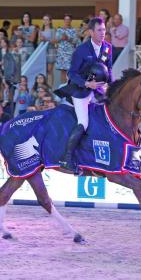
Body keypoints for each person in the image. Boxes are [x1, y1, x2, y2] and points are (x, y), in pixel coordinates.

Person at [57, 16, 112, 171]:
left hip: (99, 90)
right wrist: (87, 83)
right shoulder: (81, 50)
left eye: (104, 30)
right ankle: (66, 158)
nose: (103, 33)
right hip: (81, 91)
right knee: (84, 122)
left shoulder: (107, 48)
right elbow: (71, 74)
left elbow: (110, 69)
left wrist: (111, 87)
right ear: (91, 32)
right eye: (99, 30)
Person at [56, 14, 79, 84]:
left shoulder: (74, 30)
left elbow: (75, 42)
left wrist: (68, 38)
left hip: (70, 53)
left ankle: (69, 86)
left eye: (68, 20)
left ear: (71, 21)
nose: (67, 21)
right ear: (64, 20)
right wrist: (60, 38)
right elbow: (56, 40)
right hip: (61, 52)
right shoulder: (59, 30)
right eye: (66, 19)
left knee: (70, 70)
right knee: (63, 71)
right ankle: (63, 86)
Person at [39, 14, 58, 87]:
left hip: (51, 50)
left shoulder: (53, 30)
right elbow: (38, 42)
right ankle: (44, 86)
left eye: (47, 19)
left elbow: (55, 41)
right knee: (44, 70)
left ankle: (50, 86)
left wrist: (46, 39)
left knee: (49, 70)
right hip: (43, 50)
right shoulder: (41, 30)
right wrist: (41, 40)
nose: (45, 21)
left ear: (50, 21)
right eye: (44, 19)